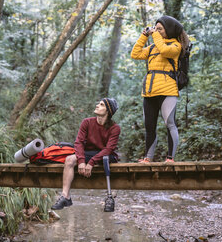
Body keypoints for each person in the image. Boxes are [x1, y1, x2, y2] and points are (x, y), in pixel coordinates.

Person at [131, 15, 190, 163]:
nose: (156, 31)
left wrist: (154, 35)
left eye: (160, 29)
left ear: (169, 30)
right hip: (149, 91)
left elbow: (164, 51)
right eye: (155, 28)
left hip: (168, 91)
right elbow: (135, 54)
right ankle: (148, 158)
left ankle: (170, 158)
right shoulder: (152, 47)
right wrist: (144, 36)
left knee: (169, 123)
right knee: (149, 126)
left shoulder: (176, 46)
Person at [51, 98, 121, 211]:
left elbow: (109, 149)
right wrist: (82, 161)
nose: (97, 105)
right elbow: (78, 143)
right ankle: (65, 197)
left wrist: (92, 162)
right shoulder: (87, 122)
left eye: (101, 104)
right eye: (98, 103)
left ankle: (109, 197)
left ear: (108, 111)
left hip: (106, 155)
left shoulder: (115, 128)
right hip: (89, 153)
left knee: (105, 159)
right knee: (69, 160)